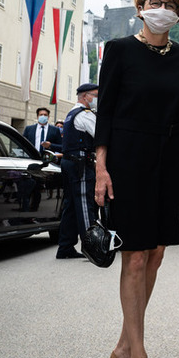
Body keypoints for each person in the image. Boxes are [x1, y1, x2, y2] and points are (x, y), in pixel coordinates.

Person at [94, 0, 179, 358]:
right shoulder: (119, 50)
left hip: (169, 156)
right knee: (135, 254)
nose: (162, 9)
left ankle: (121, 348)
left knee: (156, 252)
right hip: (128, 155)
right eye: (154, 3)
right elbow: (107, 112)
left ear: (178, 12)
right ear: (139, 9)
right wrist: (101, 166)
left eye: (169, 4)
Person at [56, 83, 99, 259]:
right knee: (84, 205)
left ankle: (65, 247)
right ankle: (93, 249)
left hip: (70, 163)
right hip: (80, 163)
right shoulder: (84, 115)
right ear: (84, 96)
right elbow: (100, 135)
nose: (97, 99)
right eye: (95, 95)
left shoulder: (70, 114)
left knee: (71, 207)